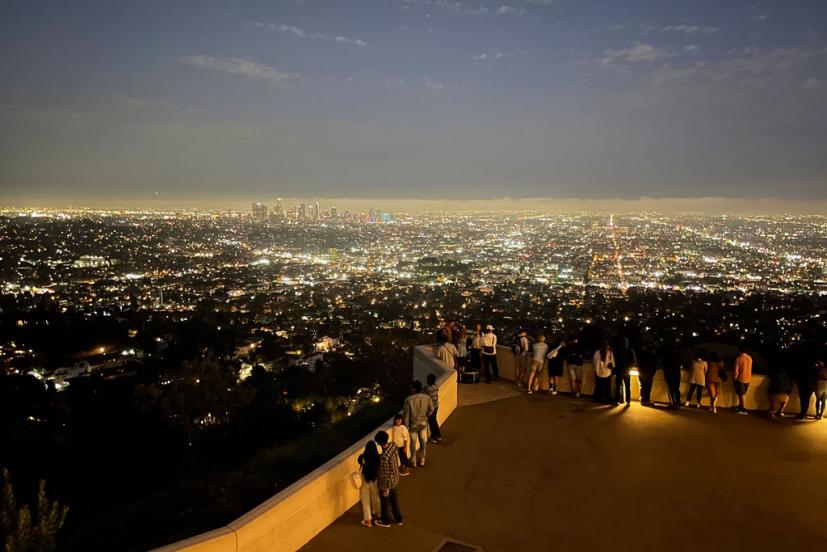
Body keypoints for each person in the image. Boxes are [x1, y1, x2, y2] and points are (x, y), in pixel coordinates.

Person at [374, 431, 403, 527]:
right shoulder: (393, 445)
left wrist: (385, 489)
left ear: (379, 443)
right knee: (394, 500)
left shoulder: (383, 458)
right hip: (395, 478)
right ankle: (399, 519)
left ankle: (385, 521)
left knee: (385, 503)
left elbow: (384, 475)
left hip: (387, 484)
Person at [403, 380, 434, 467]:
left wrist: (406, 427)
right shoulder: (427, 398)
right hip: (423, 423)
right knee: (423, 442)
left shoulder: (408, 400)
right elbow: (431, 409)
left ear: (414, 388)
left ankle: (413, 460)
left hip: (413, 425)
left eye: (411, 388)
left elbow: (406, 416)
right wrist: (426, 416)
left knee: (413, 444)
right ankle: (422, 459)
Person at [357, 440, 381, 527]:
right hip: (374, 479)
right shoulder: (378, 457)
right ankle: (378, 512)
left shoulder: (362, 457)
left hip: (365, 479)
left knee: (365, 500)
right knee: (375, 496)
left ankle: (368, 520)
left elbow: (359, 461)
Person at [613, 337, 636, 406]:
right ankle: (628, 401)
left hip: (619, 370)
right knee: (627, 386)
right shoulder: (629, 351)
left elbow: (615, 361)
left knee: (618, 386)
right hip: (626, 371)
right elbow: (633, 361)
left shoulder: (617, 351)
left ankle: (617, 400)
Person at [732, 343, 752, 415]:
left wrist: (735, 378)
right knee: (743, 394)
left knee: (741, 394)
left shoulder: (738, 359)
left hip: (741, 379)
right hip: (748, 378)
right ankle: (740, 407)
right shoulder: (750, 358)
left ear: (739, 350)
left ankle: (743, 409)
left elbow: (736, 371)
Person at [424, 373, 442, 443]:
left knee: (431, 422)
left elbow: (423, 395)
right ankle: (438, 435)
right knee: (434, 420)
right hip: (436, 406)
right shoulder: (436, 387)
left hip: (430, 408)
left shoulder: (427, 388)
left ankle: (433, 437)